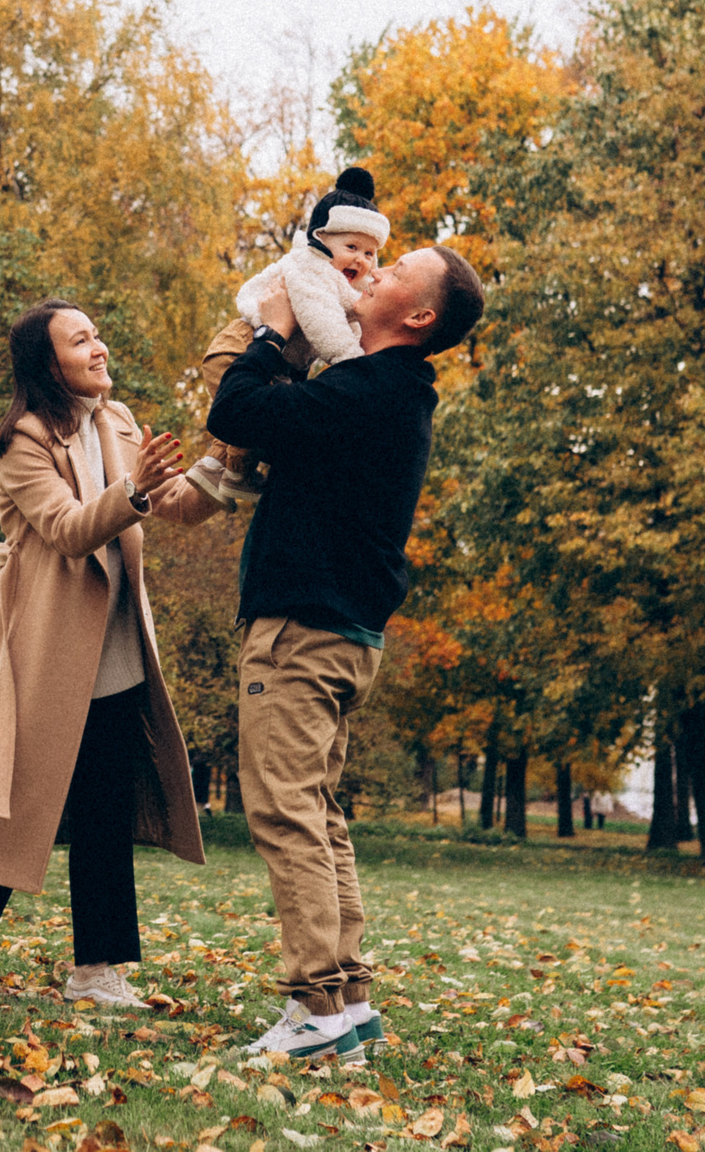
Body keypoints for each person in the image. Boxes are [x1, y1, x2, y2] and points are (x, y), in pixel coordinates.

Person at [0, 299, 217, 1010]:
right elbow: (67, 529)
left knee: (104, 808)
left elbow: (175, 498)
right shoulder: (23, 442)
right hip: (44, 647)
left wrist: (235, 469)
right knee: (15, 801)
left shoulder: (118, 420)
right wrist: (135, 491)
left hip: (118, 642)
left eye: (97, 332)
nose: (98, 347)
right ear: (49, 363)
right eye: (81, 339)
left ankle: (96, 970)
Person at [204, 243, 486, 1061]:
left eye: (393, 271)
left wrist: (270, 327)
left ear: (420, 315)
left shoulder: (370, 392)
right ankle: (346, 1001)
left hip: (303, 628)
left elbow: (237, 409)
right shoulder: (391, 395)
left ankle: (316, 1011)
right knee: (320, 816)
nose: (371, 273)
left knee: (286, 813)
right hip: (345, 634)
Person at [186, 168, 390, 511]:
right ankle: (237, 474)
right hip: (240, 348)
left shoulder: (341, 282)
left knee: (258, 412)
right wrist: (353, 362)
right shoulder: (312, 270)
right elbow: (324, 323)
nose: (361, 258)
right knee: (254, 422)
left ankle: (212, 468)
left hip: (261, 358)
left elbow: (347, 323)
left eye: (369, 254)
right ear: (320, 240)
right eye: (352, 246)